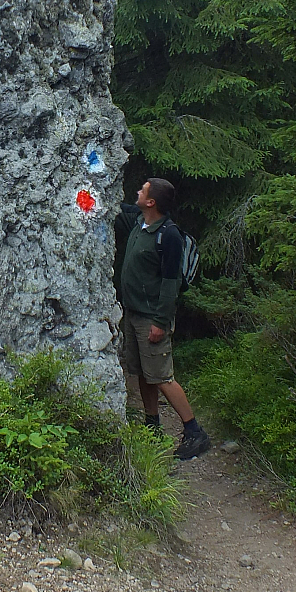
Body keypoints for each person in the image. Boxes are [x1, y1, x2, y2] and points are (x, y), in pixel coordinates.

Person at [115, 177, 211, 460]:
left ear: (151, 201)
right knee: (143, 374)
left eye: (142, 190)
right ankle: (152, 425)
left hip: (152, 318)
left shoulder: (168, 235)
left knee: (162, 377)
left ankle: (194, 432)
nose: (137, 191)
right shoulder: (139, 222)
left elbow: (171, 283)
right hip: (133, 313)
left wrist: (160, 322)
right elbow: (113, 208)